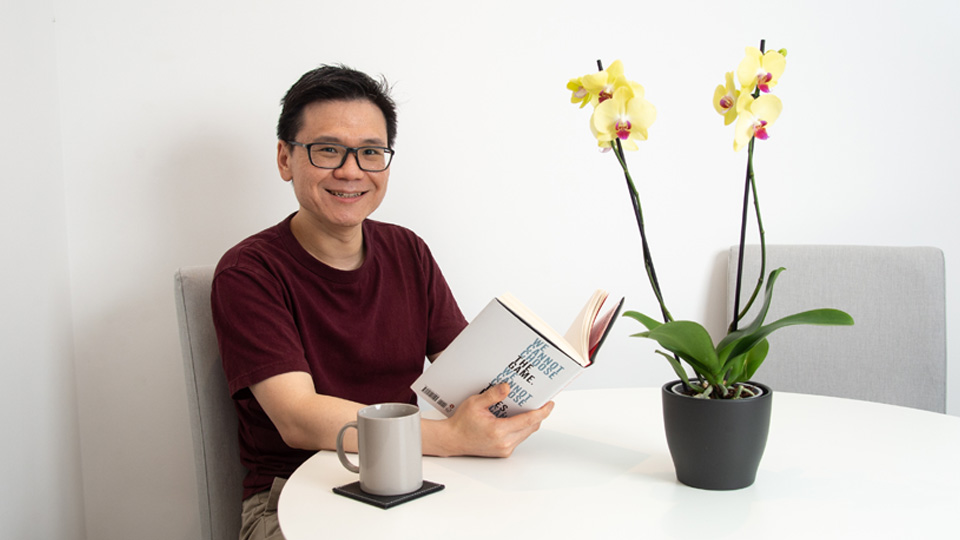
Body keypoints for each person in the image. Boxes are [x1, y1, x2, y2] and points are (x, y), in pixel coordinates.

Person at [211, 64, 554, 540]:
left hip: (420, 481)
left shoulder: (407, 250)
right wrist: (451, 439)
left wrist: (527, 379)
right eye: (328, 150)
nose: (351, 171)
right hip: (296, 499)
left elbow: (464, 371)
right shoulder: (249, 272)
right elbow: (298, 418)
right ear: (286, 159)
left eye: (370, 152)